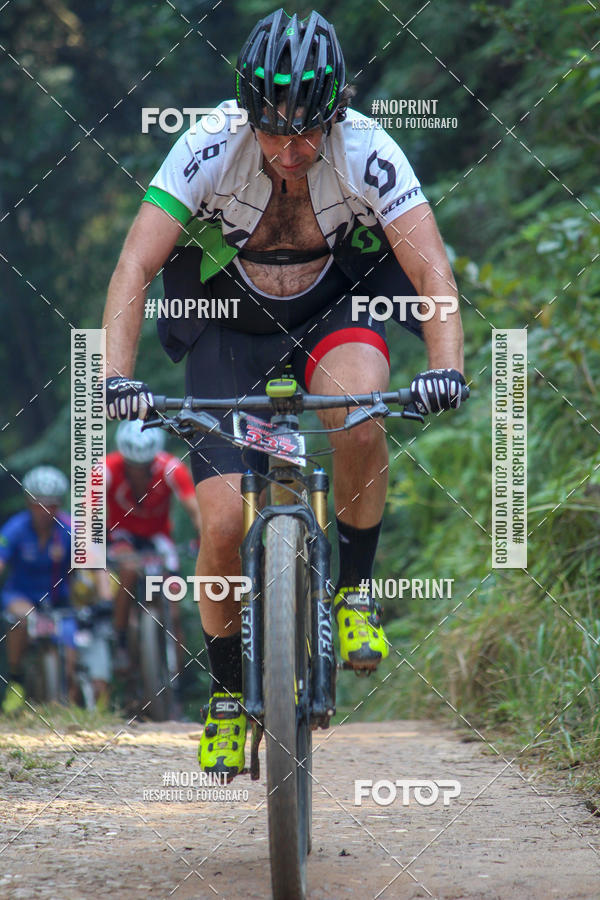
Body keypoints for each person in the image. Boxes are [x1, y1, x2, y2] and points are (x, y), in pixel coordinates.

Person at [102, 10, 466, 776]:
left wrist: (445, 366)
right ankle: (231, 694)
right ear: (248, 111)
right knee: (224, 519)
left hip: (335, 309)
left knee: (360, 414)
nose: (293, 149)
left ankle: (355, 593)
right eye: (274, 130)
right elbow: (134, 267)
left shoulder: (368, 149)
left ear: (338, 112)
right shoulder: (207, 145)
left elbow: (432, 270)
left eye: (311, 131)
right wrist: (116, 377)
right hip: (229, 325)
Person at [106, 419, 201, 673]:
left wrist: (203, 537)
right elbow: (88, 511)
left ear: (154, 459)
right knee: (127, 569)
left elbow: (195, 509)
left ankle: (175, 676)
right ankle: (121, 641)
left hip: (159, 537)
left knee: (173, 603)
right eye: (132, 466)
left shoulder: (171, 468)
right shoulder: (105, 469)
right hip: (121, 534)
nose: (138, 472)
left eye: (144, 466)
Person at [0, 466, 73, 713]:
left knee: (75, 650)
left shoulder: (70, 529)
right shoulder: (15, 527)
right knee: (22, 619)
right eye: (37, 503)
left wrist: (104, 596)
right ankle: (16, 680)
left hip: (60, 600)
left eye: (51, 505)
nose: (44, 511)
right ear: (28, 502)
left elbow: (95, 566)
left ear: (59, 504)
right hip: (21, 595)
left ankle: (66, 702)